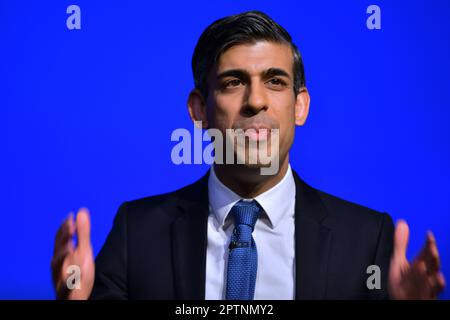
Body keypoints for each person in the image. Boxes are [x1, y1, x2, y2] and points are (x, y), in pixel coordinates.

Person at [51, 10, 445, 300]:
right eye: (233, 82)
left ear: (300, 106)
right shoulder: (136, 234)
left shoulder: (366, 240)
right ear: (199, 110)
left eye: (275, 81)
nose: (256, 101)